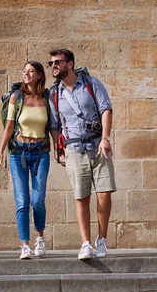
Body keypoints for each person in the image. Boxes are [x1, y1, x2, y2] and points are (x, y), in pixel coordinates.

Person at [48, 48, 116, 260]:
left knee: (104, 193)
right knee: (81, 197)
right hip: (74, 149)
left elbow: (106, 109)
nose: (53, 66)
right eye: (51, 63)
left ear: (70, 64)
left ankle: (102, 240)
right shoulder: (54, 94)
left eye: (57, 62)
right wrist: (59, 151)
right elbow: (55, 126)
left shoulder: (91, 84)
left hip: (97, 145)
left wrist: (105, 138)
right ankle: (85, 244)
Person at [0, 61, 50, 259]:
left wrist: (60, 150)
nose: (26, 74)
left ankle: (40, 237)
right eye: (24, 71)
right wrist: (1, 151)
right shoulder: (16, 97)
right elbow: (9, 126)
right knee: (22, 201)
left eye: (31, 71)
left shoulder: (46, 97)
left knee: (38, 200)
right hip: (18, 153)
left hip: (41, 153)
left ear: (39, 75)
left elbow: (52, 126)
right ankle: (24, 245)